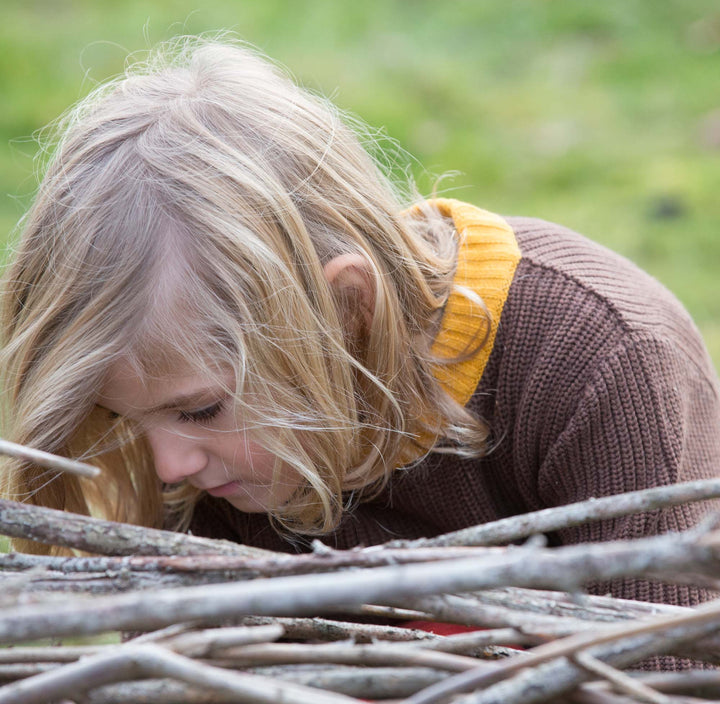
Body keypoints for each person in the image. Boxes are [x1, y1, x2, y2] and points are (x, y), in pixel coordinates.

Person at [2, 37, 719, 620]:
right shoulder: (229, 461)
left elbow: (670, 660)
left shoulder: (600, 360)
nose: (168, 468)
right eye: (125, 418)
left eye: (200, 409)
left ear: (345, 312)